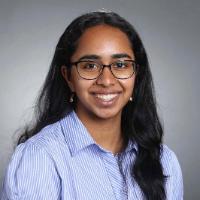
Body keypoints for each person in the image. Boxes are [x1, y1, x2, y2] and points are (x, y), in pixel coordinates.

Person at [1, 11, 183, 200]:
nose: (106, 80)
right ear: (68, 76)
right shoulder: (39, 158)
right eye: (90, 65)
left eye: (120, 65)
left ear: (136, 75)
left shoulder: (164, 161)